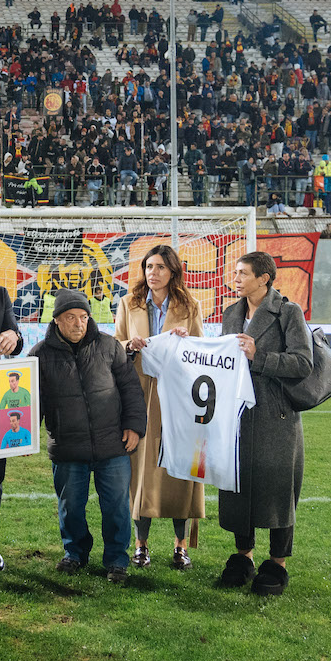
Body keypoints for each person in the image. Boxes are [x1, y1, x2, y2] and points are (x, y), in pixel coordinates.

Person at [31, 288, 146, 583]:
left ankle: (117, 560)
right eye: (70, 318)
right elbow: (29, 402)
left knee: (117, 508)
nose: (78, 324)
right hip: (67, 448)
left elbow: (131, 390)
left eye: (83, 317)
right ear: (56, 321)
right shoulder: (39, 356)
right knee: (70, 509)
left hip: (113, 446)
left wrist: (134, 426)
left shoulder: (110, 346)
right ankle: (74, 553)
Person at [218, 251, 312, 596]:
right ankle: (243, 556)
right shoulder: (231, 313)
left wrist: (261, 357)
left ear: (264, 278)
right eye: (235, 273)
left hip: (277, 416)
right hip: (237, 415)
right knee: (238, 486)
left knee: (278, 489)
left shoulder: (289, 312)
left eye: (243, 273)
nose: (236, 278)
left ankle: (278, 563)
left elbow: (303, 363)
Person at [112, 244, 207, 572]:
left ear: (173, 272)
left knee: (179, 472)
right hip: (138, 399)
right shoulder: (128, 303)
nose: (153, 273)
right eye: (149, 267)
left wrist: (185, 341)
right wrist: (130, 346)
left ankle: (180, 547)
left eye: (160, 267)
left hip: (178, 401)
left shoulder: (190, 306)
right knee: (140, 472)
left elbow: (201, 355)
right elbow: (116, 344)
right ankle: (141, 545)